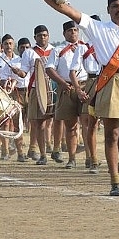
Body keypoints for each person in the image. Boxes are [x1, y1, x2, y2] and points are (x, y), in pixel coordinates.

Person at [37, 0, 119, 196]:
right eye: (115, 6)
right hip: (110, 82)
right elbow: (68, 11)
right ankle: (115, 181)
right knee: (112, 133)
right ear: (108, 9)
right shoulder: (97, 28)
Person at [45, 21, 83, 169]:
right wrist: (62, 83)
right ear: (64, 33)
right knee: (70, 125)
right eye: (69, 31)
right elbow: (49, 69)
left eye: (75, 30)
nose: (72, 33)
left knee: (87, 123)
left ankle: (91, 158)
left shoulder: (84, 48)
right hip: (66, 87)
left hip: (85, 85)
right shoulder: (58, 50)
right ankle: (72, 158)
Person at [16, 25, 55, 165]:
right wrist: (17, 72)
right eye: (39, 35)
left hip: (54, 89)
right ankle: (43, 154)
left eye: (45, 35)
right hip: (36, 90)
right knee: (39, 123)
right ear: (35, 38)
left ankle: (56, 149)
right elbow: (24, 72)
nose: (42, 38)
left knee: (59, 120)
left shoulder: (54, 51)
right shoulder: (29, 53)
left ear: (48, 36)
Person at [68, 15, 101, 172]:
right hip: (91, 82)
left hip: (108, 81)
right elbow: (72, 71)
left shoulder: (108, 44)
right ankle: (93, 159)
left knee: (115, 122)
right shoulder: (82, 47)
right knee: (89, 123)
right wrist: (79, 90)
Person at [0, 34, 27, 162]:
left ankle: (20, 152)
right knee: (5, 123)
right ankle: (5, 150)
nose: (8, 46)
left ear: (14, 45)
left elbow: (22, 76)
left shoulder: (20, 59)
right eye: (6, 44)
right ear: (2, 46)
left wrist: (14, 78)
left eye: (10, 43)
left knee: (18, 122)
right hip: (2, 93)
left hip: (17, 92)